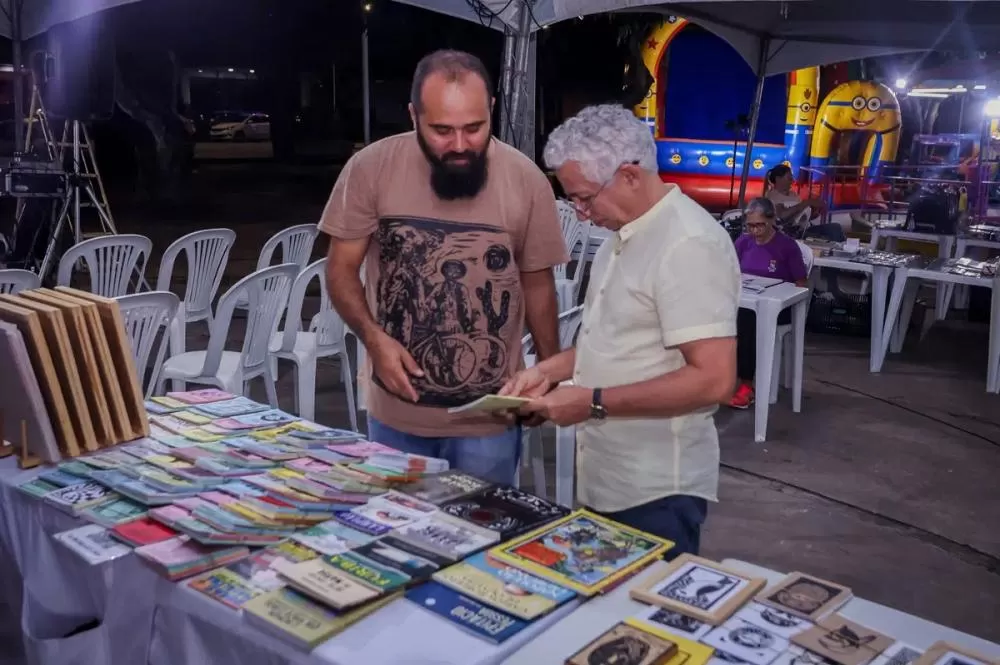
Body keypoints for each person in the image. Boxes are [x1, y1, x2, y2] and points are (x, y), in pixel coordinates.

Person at [499, 104, 740, 557]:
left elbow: (714, 380)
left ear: (629, 175)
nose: (582, 214)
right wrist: (549, 371)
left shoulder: (688, 243)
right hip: (608, 475)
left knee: (643, 622)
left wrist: (591, 402)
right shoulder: (625, 236)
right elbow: (613, 338)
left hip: (655, 489)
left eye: (586, 198)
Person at [319, 50, 567, 484]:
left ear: (491, 108)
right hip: (394, 417)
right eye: (441, 130)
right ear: (413, 114)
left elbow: (538, 286)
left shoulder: (526, 180)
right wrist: (374, 340)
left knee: (482, 539)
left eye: (474, 128)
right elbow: (340, 271)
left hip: (488, 421)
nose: (459, 145)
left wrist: (549, 375)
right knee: (394, 538)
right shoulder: (370, 168)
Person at [729, 197, 808, 409]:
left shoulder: (787, 247)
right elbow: (732, 272)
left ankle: (746, 386)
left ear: (772, 220)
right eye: (750, 225)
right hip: (747, 299)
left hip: (778, 306)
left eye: (759, 225)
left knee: (746, 322)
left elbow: (801, 283)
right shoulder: (743, 243)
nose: (754, 230)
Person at [764, 164, 845, 241]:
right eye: (789, 178)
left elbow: (802, 217)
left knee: (836, 227)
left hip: (803, 228)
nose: (792, 181)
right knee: (831, 234)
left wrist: (815, 211)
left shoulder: (793, 194)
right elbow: (782, 216)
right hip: (791, 232)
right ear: (778, 179)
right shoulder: (773, 196)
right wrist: (806, 203)